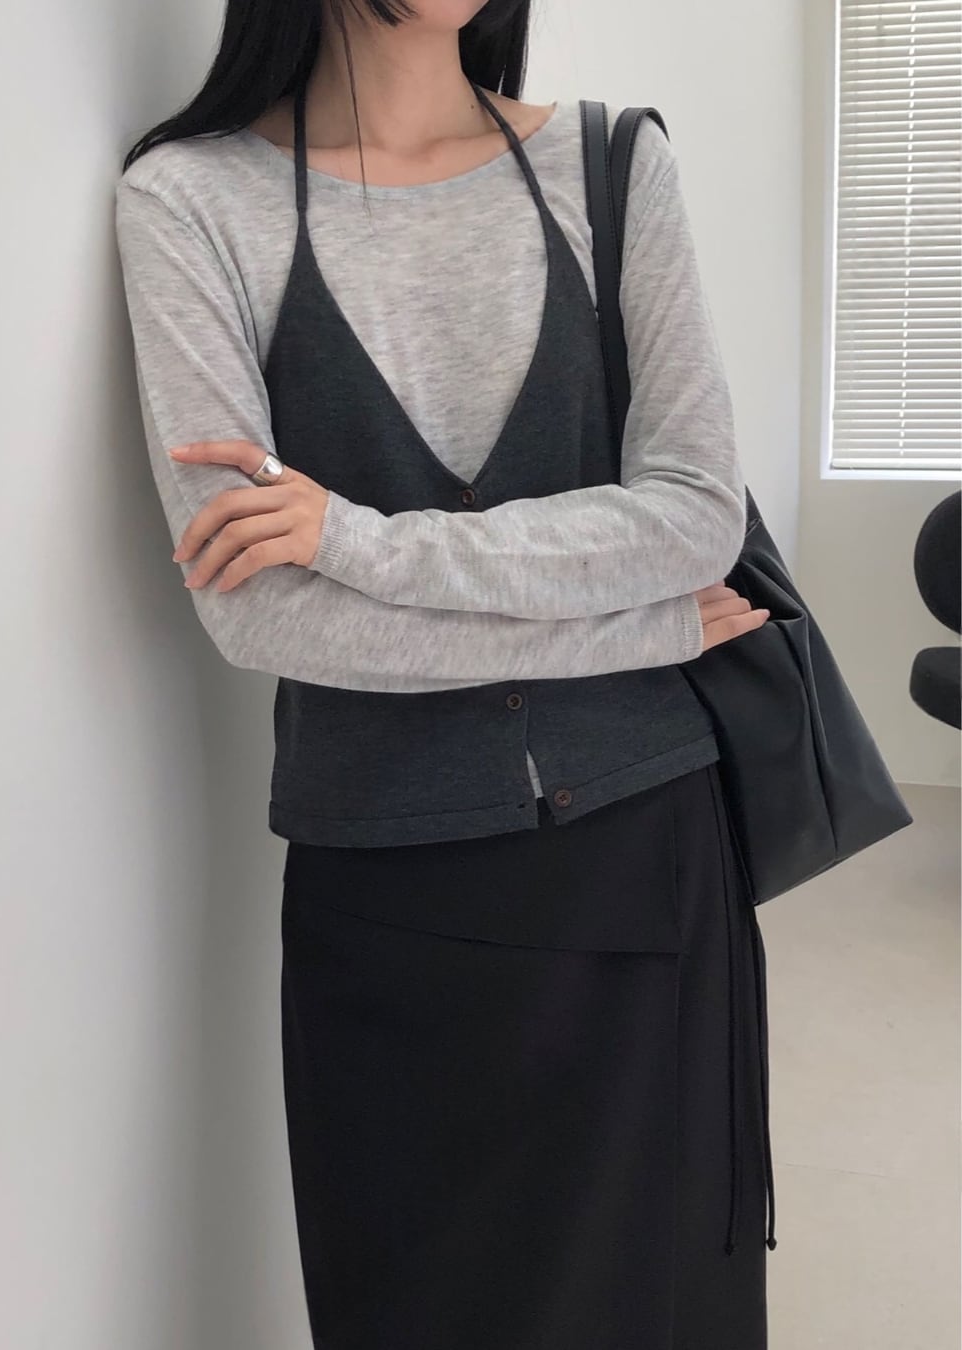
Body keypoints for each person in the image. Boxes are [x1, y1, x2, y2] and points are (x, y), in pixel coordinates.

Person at [115, 2, 775, 1345]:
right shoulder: (190, 202)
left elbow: (696, 518)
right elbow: (268, 618)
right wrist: (640, 627)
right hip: (386, 896)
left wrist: (355, 541)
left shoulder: (612, 165)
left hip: (641, 858)